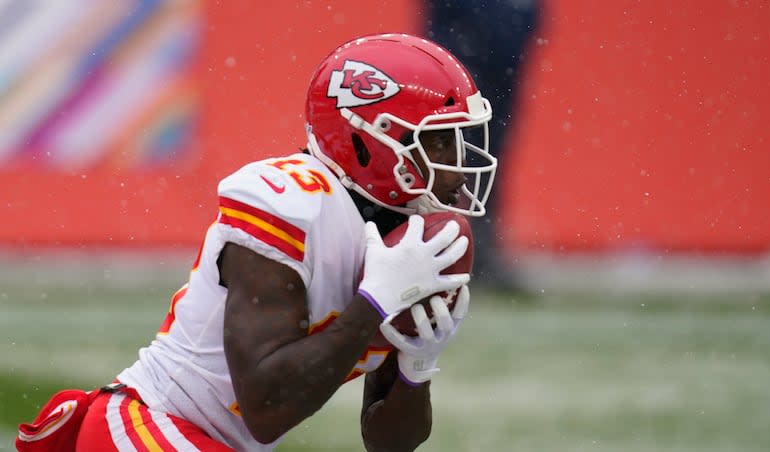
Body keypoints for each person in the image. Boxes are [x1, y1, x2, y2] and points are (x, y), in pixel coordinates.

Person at [16, 33, 498, 452]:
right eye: (436, 143)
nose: (455, 167)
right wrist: (372, 305)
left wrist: (417, 363)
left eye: (456, 141)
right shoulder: (291, 201)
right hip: (149, 425)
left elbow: (388, 442)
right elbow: (266, 406)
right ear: (364, 140)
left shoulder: (411, 235)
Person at [427, 0, 542, 286]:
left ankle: (480, 245)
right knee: (449, 141)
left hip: (501, 46)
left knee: (490, 147)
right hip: (465, 42)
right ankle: (433, 240)